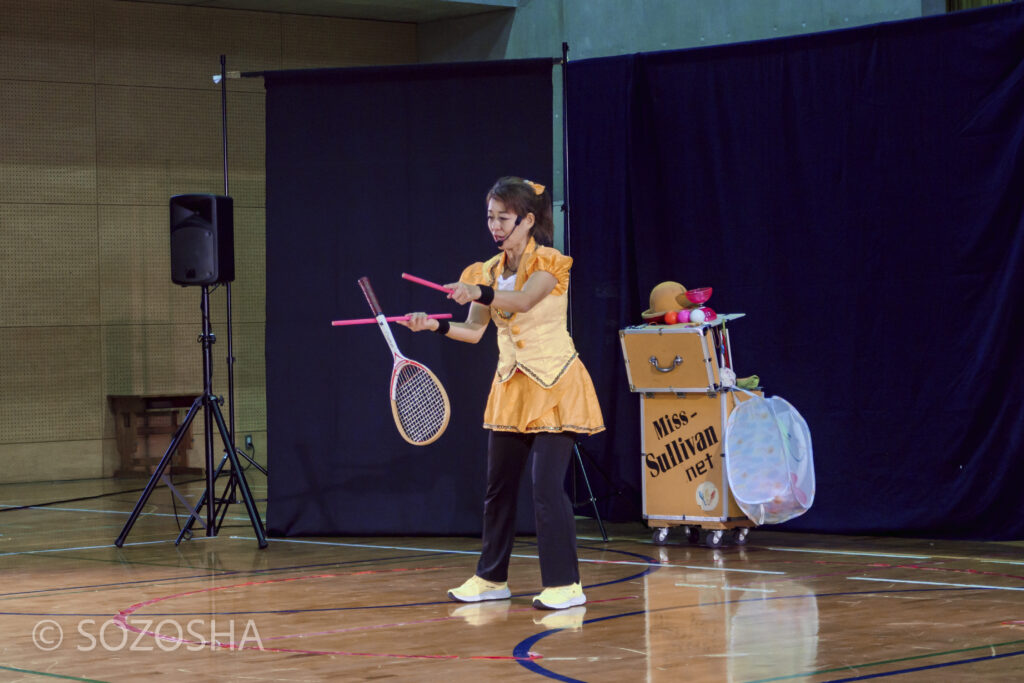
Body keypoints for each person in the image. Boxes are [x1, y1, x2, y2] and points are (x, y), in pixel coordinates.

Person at [397, 176, 605, 610]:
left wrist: (480, 293)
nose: (495, 226)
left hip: (555, 383)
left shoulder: (549, 263)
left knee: (546, 487)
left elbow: (525, 301)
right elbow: (474, 330)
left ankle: (566, 585)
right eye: (490, 217)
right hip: (511, 386)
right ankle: (491, 578)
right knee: (498, 488)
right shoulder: (485, 270)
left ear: (527, 220)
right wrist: (432, 324)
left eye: (504, 218)